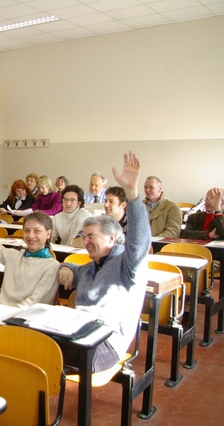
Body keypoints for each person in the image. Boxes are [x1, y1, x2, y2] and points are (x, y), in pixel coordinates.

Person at [58, 151, 151, 373]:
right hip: (80, 332)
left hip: (108, 342)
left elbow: (139, 242)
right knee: (35, 346)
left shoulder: (127, 265)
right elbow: (74, 269)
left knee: (48, 356)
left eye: (92, 236)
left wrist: (133, 195)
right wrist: (65, 266)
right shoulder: (92, 266)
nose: (86, 241)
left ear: (111, 238)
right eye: (84, 236)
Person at [0, 188, 59, 309]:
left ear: (48, 234)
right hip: (1, 314)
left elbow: (34, 303)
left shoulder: (52, 266)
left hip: (23, 322)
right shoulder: (13, 255)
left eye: (37, 231)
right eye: (27, 230)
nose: (30, 236)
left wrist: (5, 316)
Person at [181, 188, 224, 280]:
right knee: (181, 264)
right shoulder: (194, 217)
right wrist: (208, 235)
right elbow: (185, 234)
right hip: (197, 253)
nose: (208, 202)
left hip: (219, 257)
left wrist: (218, 211)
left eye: (213, 199)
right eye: (207, 199)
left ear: (222, 203)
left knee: (198, 266)